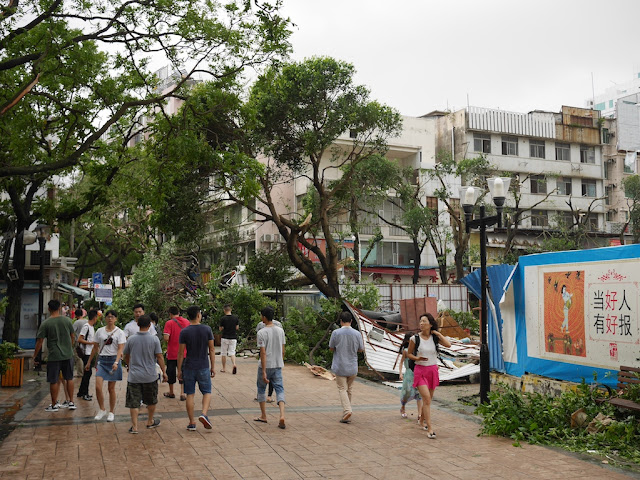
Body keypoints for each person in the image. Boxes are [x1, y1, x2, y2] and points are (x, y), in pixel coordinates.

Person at [406, 313, 451, 439]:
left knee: (429, 399)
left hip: (432, 370)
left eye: (424, 321)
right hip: (420, 371)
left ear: (430, 324)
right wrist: (417, 358)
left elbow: (448, 345)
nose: (421, 324)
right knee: (426, 398)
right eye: (420, 321)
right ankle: (430, 428)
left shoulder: (434, 337)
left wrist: (438, 334)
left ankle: (421, 420)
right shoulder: (415, 339)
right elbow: (409, 354)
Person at [123, 314, 168, 434]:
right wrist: (164, 372)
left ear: (138, 324)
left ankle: (135, 426)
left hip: (134, 376)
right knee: (151, 400)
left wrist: (129, 365)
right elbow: (159, 356)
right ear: (150, 325)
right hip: (150, 375)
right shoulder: (154, 339)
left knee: (134, 402)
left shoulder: (131, 339)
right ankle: (149, 421)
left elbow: (125, 355)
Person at [32, 300, 77, 412]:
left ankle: (54, 404)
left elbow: (40, 341)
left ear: (49, 309)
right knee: (69, 378)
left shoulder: (46, 323)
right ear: (59, 308)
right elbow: (73, 336)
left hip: (54, 356)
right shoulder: (67, 321)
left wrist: (35, 355)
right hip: (68, 354)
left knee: (53, 380)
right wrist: (69, 347)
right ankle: (71, 402)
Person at [177, 305, 216, 431]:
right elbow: (211, 349)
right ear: (199, 315)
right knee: (207, 391)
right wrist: (213, 367)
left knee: (190, 394)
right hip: (203, 365)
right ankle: (204, 414)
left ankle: (192, 422)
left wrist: (179, 370)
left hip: (189, 366)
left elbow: (180, 353)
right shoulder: (207, 329)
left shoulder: (184, 331)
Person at [87, 309, 126, 422]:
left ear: (116, 319)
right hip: (102, 360)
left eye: (112, 316)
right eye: (108, 316)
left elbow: (120, 349)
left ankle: (111, 411)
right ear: (105, 318)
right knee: (98, 386)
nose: (110, 318)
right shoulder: (99, 331)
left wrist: (116, 362)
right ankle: (102, 409)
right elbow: (95, 347)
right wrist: (89, 361)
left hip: (113, 360)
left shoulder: (120, 332)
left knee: (111, 388)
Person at [254, 306, 286, 429]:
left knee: (261, 389)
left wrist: (263, 371)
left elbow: (262, 352)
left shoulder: (261, 333)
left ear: (264, 318)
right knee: (280, 389)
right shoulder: (280, 331)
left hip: (266, 365)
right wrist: (281, 361)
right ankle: (282, 414)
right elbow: (283, 350)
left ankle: (263, 415)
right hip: (277, 364)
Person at [329, 311, 364, 424]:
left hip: (340, 365)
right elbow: (361, 349)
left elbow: (331, 347)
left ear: (340, 321)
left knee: (342, 389)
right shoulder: (357, 334)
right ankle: (346, 414)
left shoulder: (336, 333)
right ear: (351, 321)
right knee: (349, 389)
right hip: (353, 366)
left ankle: (347, 410)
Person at [163, 306, 189, 400]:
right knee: (183, 371)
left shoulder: (169, 323)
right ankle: (183, 393)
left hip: (172, 353)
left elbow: (166, 338)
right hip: (184, 352)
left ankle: (171, 392)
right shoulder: (186, 322)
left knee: (171, 372)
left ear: (170, 314)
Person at [396, 333, 423, 421]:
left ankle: (419, 414)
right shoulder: (406, 351)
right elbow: (401, 362)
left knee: (419, 394)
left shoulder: (417, 350)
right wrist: (400, 373)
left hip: (417, 374)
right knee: (406, 393)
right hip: (408, 374)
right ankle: (403, 407)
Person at [256, 316, 282, 402]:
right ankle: (268, 396)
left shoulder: (276, 325)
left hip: (266, 352)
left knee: (264, 377)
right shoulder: (278, 325)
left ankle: (264, 395)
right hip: (275, 356)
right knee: (275, 381)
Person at [76, 309, 99, 401]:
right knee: (87, 373)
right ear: (95, 317)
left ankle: (81, 392)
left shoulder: (91, 327)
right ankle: (84, 393)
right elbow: (79, 339)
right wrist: (91, 343)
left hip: (89, 353)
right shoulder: (86, 326)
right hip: (86, 353)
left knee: (87, 373)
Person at [219, 304, 239, 374]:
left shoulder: (223, 319)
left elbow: (220, 329)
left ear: (224, 310)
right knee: (232, 352)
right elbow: (237, 328)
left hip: (225, 337)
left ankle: (224, 368)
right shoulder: (235, 318)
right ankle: (234, 364)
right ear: (230, 310)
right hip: (233, 337)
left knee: (223, 353)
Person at [72, 308, 88, 377]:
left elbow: (72, 332)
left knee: (78, 357)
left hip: (78, 342)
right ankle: (86, 371)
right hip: (87, 341)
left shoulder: (77, 322)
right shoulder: (87, 321)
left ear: (76, 315)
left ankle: (80, 373)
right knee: (85, 356)